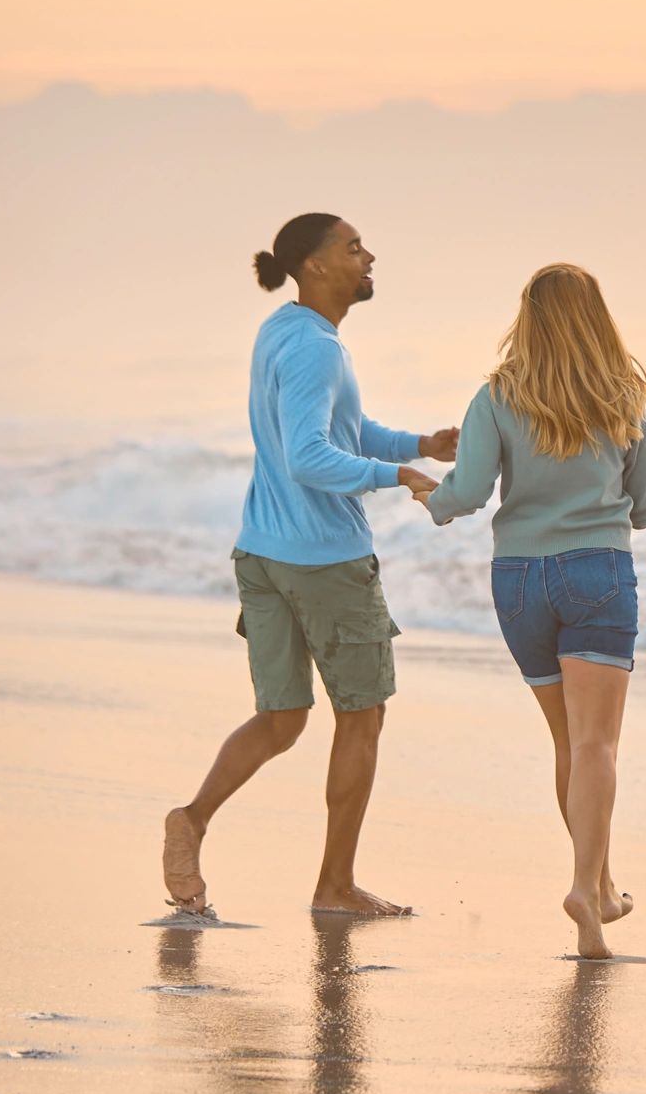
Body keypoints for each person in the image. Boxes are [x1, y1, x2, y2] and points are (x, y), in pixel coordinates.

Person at [162, 214, 456, 921]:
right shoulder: (317, 352)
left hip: (262, 552)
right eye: (353, 247)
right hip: (325, 562)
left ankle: (192, 819)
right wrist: (401, 475)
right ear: (317, 265)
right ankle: (335, 885)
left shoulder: (285, 331)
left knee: (283, 718)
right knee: (362, 716)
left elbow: (336, 431)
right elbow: (310, 456)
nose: (369, 255)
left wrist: (419, 441)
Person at [411, 264, 646, 959]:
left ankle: (601, 884)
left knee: (566, 741)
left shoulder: (498, 395)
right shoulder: (624, 396)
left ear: (529, 318)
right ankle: (587, 887)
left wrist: (430, 499)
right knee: (597, 745)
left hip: (518, 579)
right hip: (596, 572)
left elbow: (468, 490)